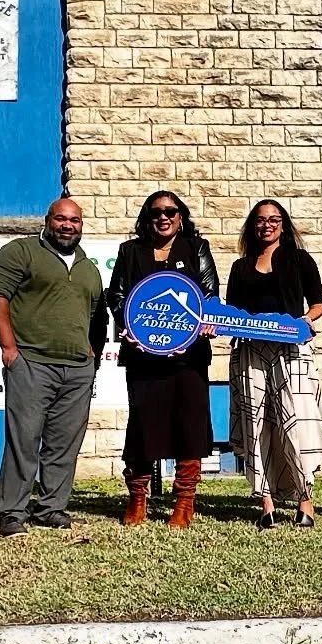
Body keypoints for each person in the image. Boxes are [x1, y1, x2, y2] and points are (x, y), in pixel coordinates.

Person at [0, 197, 107, 538]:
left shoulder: (87, 267)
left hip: (77, 370)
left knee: (64, 443)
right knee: (24, 440)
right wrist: (8, 346)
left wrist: (92, 354)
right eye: (61, 219)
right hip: (32, 363)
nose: (68, 225)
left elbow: (97, 316)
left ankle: (51, 508)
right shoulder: (21, 251)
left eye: (75, 221)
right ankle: (12, 512)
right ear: (48, 220)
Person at [104, 191, 218, 529]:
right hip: (144, 355)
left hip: (189, 355)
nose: (163, 217)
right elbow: (118, 296)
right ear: (147, 217)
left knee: (190, 425)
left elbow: (209, 293)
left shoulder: (197, 248)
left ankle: (184, 502)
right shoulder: (130, 250)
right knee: (142, 426)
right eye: (156, 212)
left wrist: (205, 323)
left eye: (171, 211)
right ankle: (137, 497)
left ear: (181, 216)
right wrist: (129, 327)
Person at [226, 200, 322, 530]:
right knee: (257, 424)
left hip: (292, 351)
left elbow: (318, 304)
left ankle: (305, 502)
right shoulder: (240, 268)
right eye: (260, 220)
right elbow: (233, 313)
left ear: (283, 225)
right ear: (252, 226)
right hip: (251, 352)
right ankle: (266, 504)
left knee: (298, 423)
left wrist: (300, 322)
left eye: (274, 219)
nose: (267, 225)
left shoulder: (300, 260)